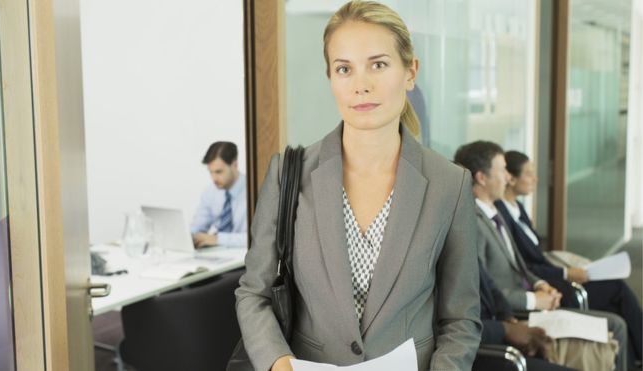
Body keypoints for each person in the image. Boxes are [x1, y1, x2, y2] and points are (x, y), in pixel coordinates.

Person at [235, 2, 482, 371]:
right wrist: (278, 363)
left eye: (378, 65)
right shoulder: (290, 174)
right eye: (344, 69)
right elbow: (254, 293)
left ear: (410, 72)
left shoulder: (450, 184)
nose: (361, 85)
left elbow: (460, 318)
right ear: (331, 78)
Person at [454, 140, 629, 371]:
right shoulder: (472, 222)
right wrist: (534, 301)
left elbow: (521, 265)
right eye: (503, 170)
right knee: (613, 325)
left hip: (524, 307)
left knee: (614, 323)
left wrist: (541, 284)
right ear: (482, 178)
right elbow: (483, 287)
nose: (508, 177)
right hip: (518, 311)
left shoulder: (495, 213)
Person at [496, 150, 642, 366]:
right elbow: (525, 265)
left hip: (547, 278)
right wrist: (563, 274)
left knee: (614, 303)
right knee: (616, 293)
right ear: (511, 178)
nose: (535, 178)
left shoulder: (517, 209)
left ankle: (629, 360)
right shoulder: (500, 214)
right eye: (529, 173)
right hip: (546, 285)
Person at [478, 262, 576, 371]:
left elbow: (492, 288)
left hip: (498, 335)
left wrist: (509, 319)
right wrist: (506, 329)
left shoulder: (468, 249)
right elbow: (457, 326)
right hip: (476, 352)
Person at [190, 141, 247, 247]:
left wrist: (217, 239)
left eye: (219, 172)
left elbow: (257, 239)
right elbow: (197, 227)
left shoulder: (254, 191)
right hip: (218, 256)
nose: (214, 178)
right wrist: (190, 237)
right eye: (210, 172)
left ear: (235, 165)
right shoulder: (210, 192)